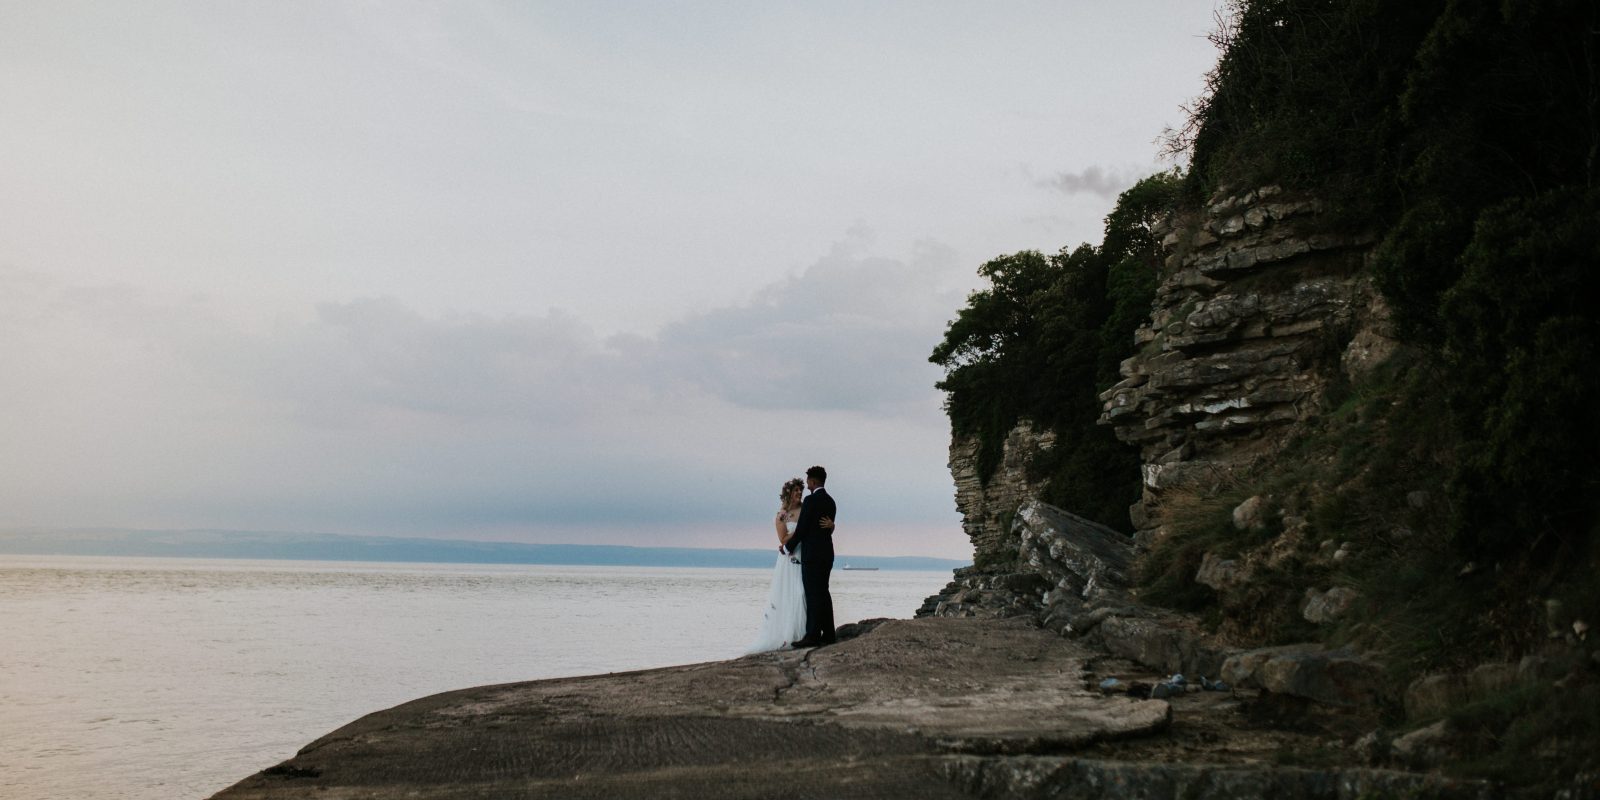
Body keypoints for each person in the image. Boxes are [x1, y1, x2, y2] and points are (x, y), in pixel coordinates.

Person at [785, 465, 837, 648]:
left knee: (813, 594)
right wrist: (833, 526)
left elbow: (802, 529)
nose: (807, 485)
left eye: (808, 481)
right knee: (823, 592)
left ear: (814, 481)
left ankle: (812, 635)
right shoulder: (831, 502)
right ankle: (829, 633)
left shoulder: (811, 501)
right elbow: (826, 529)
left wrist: (787, 547)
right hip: (827, 554)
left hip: (813, 555)